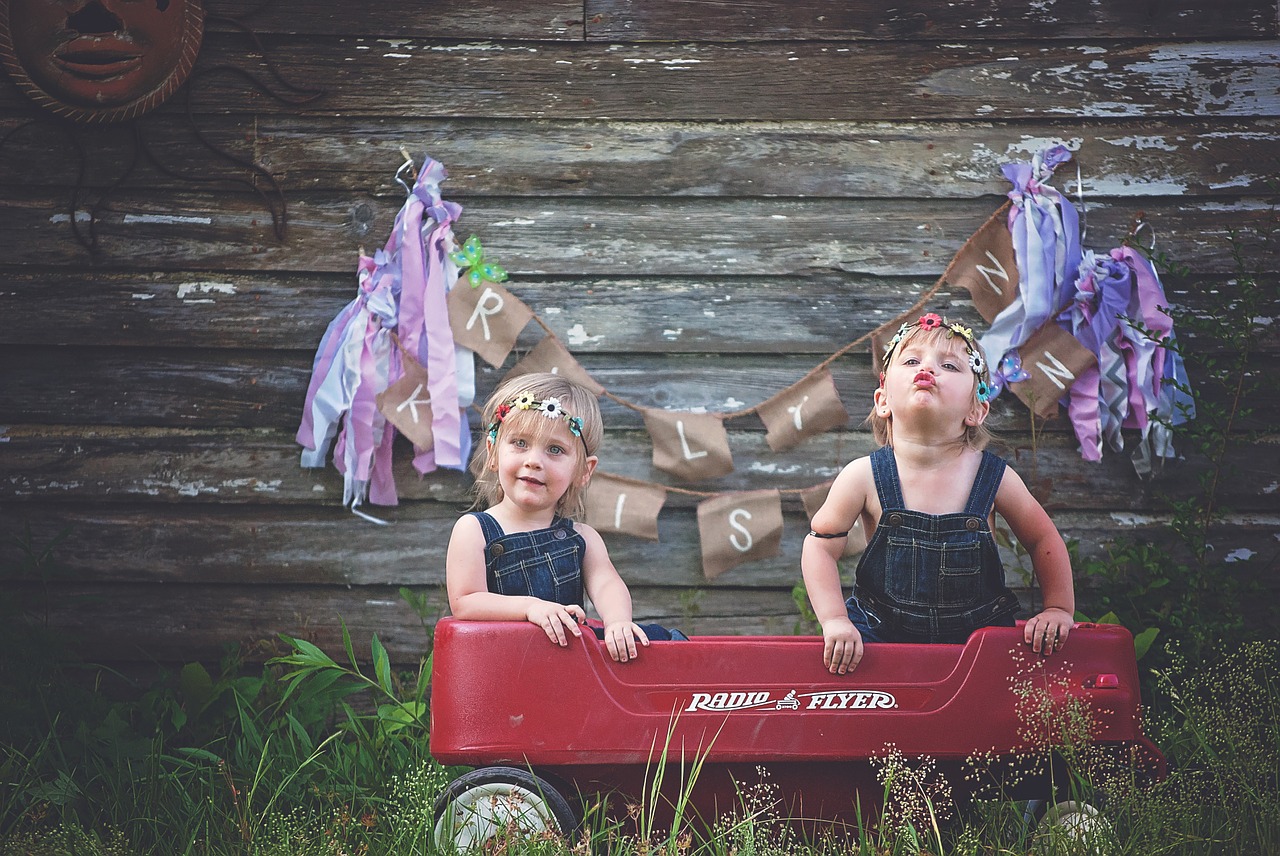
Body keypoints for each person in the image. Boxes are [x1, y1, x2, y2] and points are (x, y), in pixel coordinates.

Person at [802, 313, 1075, 675]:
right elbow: (820, 545)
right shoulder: (863, 476)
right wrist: (835, 619)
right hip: (879, 637)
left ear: (976, 410)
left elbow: (1042, 538)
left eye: (949, 365)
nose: (927, 369)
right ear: (883, 400)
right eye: (912, 360)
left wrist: (1058, 607)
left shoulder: (993, 478)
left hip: (977, 643)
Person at [446, 372, 683, 663]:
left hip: (568, 665)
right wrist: (530, 608)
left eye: (555, 450)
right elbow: (465, 601)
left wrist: (618, 621)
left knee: (662, 639)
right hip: (503, 665)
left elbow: (607, 583)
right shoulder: (475, 530)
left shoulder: (581, 538)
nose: (534, 461)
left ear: (583, 471)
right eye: (520, 443)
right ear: (494, 452)